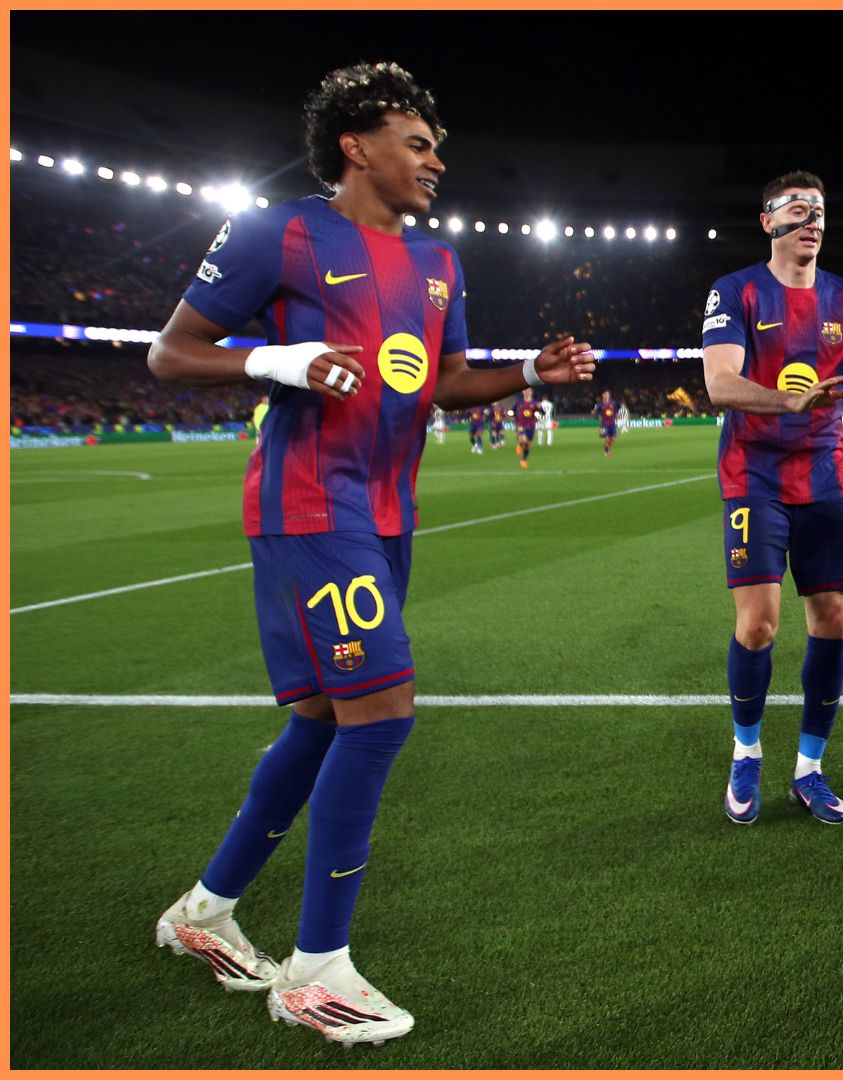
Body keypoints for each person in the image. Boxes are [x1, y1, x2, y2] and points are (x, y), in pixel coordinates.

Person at [144, 62, 595, 1044]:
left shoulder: (439, 264)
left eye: (437, 146)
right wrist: (278, 359)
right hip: (310, 503)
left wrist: (526, 373)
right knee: (382, 714)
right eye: (417, 142)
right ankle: (317, 972)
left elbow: (437, 384)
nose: (437, 160)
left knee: (319, 721)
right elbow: (170, 354)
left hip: (389, 513)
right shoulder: (282, 232)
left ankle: (203, 914)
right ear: (356, 145)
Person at [700, 170, 843, 826]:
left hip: (824, 480)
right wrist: (789, 400)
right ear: (769, 223)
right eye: (797, 208)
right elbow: (720, 383)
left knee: (832, 620)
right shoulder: (736, 292)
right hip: (753, 478)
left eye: (819, 209)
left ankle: (809, 768)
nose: (812, 218)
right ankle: (747, 753)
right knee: (758, 622)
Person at [514, 387, 539, 468]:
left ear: (531, 392)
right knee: (523, 439)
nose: (527, 392)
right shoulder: (519, 402)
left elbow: (541, 412)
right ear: (523, 392)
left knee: (528, 444)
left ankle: (524, 460)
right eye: (525, 390)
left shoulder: (535, 403)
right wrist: (513, 417)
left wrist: (538, 415)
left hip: (531, 425)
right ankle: (521, 444)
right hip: (520, 424)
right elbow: (512, 411)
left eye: (528, 390)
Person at [594, 390, 619, 455]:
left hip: (612, 423)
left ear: (609, 395)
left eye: (607, 394)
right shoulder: (599, 404)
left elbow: (616, 410)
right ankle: (606, 452)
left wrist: (616, 414)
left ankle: (607, 447)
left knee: (614, 438)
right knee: (605, 438)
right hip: (604, 424)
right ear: (602, 396)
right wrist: (595, 414)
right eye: (605, 394)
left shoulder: (614, 402)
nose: (606, 396)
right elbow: (596, 413)